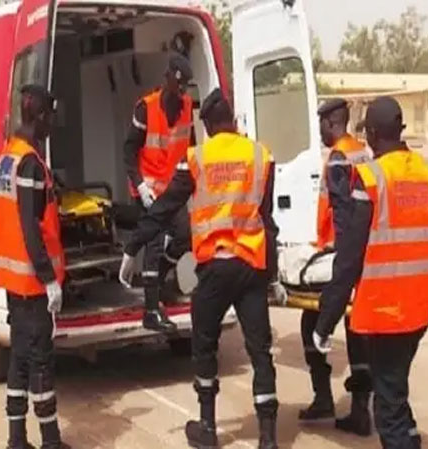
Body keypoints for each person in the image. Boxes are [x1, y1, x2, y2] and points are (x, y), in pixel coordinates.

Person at [119, 89, 281, 449]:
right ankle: (268, 438)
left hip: (215, 271)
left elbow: (163, 209)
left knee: (204, 346)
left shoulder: (197, 158)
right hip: (252, 268)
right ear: (234, 122)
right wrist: (275, 271)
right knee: (260, 350)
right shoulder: (261, 155)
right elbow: (267, 220)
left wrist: (133, 246)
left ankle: (207, 428)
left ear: (206, 125)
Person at [314, 96, 428, 449]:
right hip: (420, 308)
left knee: (388, 410)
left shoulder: (373, 177)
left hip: (385, 310)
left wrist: (325, 321)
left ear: (374, 134)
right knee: (395, 389)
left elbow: (349, 258)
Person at [0, 85, 70, 449]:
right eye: (50, 116)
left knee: (18, 360)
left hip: (12, 281)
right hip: (32, 284)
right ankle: (50, 440)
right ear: (41, 115)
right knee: (40, 365)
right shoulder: (30, 162)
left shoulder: (10, 155)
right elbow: (29, 227)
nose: (52, 124)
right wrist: (50, 279)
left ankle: (16, 439)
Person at [298, 98, 373, 437]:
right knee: (357, 334)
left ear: (331, 122)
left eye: (321, 124)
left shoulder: (340, 158)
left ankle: (324, 397)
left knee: (310, 320)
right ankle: (359, 411)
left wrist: (341, 264)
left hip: (338, 258)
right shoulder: (364, 152)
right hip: (362, 254)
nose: (320, 131)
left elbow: (343, 215)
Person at [123, 53, 196, 333]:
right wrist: (140, 185)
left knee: (184, 236)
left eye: (184, 87)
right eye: (177, 86)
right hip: (149, 191)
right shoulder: (146, 108)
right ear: (167, 79)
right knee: (153, 244)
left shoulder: (187, 107)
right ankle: (151, 310)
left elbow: (189, 146)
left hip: (173, 191)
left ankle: (160, 279)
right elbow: (129, 150)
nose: (180, 92)